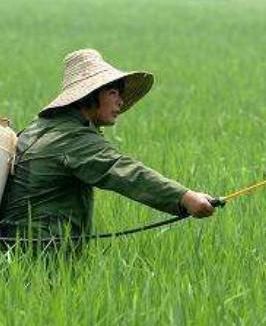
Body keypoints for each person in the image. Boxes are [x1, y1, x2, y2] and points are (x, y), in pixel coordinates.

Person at [0, 49, 216, 249]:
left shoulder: (38, 128)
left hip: (11, 246)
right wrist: (185, 198)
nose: (121, 102)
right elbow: (123, 171)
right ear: (89, 94)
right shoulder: (74, 139)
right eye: (114, 93)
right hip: (42, 251)